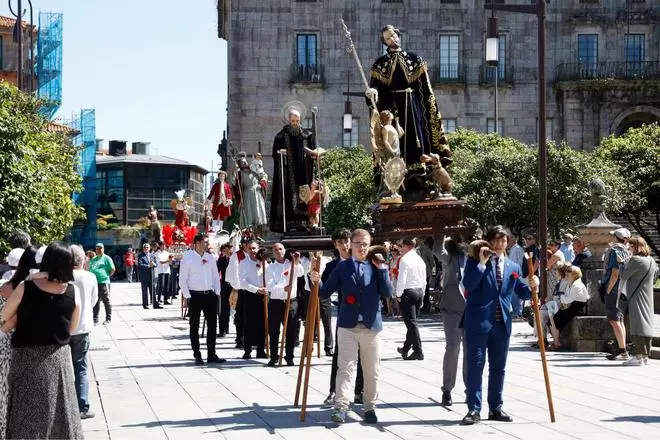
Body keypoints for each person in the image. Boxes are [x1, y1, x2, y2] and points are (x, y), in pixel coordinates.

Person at [1, 242, 83, 439]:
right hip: (58, 358)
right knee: (61, 412)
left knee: (26, 414)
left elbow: (4, 316)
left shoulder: (25, 287)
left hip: (27, 358)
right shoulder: (73, 291)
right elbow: (72, 328)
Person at [311, 229, 392, 424]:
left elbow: (388, 292)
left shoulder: (377, 266)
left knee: (372, 370)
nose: (362, 248)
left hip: (371, 326)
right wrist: (315, 279)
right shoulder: (342, 267)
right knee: (345, 368)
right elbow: (324, 292)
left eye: (365, 244)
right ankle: (341, 407)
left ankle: (370, 407)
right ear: (351, 245)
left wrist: (382, 269)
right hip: (347, 325)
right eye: (358, 244)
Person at [461, 226, 537, 426]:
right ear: (488, 241)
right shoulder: (474, 262)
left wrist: (532, 284)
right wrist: (482, 264)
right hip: (478, 322)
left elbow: (522, 292)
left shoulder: (513, 266)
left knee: (498, 368)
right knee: (475, 366)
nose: (499, 245)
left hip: (501, 322)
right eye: (495, 240)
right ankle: (473, 409)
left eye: (503, 241)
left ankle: (495, 407)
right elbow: (468, 285)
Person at [366, 25, 451, 198]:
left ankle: (422, 179)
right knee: (397, 143)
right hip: (394, 111)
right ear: (385, 42)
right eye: (388, 38)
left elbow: (425, 89)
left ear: (398, 35)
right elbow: (376, 90)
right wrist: (372, 93)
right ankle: (397, 182)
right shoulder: (380, 65)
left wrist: (428, 109)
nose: (392, 40)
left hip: (414, 109)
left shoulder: (414, 59)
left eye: (393, 36)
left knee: (417, 142)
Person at [322, 228, 365, 409]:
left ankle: (359, 391)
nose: (344, 245)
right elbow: (323, 289)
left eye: (346, 241)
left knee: (363, 354)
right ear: (335, 244)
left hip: (364, 313)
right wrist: (313, 278)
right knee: (340, 354)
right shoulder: (332, 266)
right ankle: (334, 391)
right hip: (345, 314)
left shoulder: (361, 261)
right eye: (340, 242)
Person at [0, 246, 38, 439]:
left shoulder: (6, 286)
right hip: (26, 344)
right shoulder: (34, 287)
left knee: (4, 391)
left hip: (4, 344)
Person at [179, 233, 225, 365]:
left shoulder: (210, 257)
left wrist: (217, 292)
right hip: (194, 295)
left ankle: (212, 354)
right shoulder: (188, 258)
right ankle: (197, 354)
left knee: (212, 326)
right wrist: (188, 296)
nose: (207, 244)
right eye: (205, 242)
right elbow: (182, 280)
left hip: (209, 295)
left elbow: (216, 277)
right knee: (194, 326)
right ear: (197, 243)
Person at [270, 109, 317, 233]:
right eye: (293, 121)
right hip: (288, 172)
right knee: (289, 197)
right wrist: (280, 154)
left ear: (300, 120)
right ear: (289, 120)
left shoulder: (307, 135)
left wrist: (313, 154)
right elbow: (275, 154)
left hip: (303, 171)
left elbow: (313, 150)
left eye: (297, 121)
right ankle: (289, 224)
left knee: (304, 197)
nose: (295, 123)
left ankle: (305, 223)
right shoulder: (281, 136)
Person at [437, 236, 467, 407]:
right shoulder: (450, 257)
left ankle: (470, 389)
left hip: (471, 310)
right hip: (452, 309)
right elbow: (436, 250)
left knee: (470, 351)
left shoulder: (475, 258)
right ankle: (447, 388)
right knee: (453, 348)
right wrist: (440, 232)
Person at [70, 245, 99, 419]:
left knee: (66, 367)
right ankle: (82, 406)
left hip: (65, 327)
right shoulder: (90, 277)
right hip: (83, 326)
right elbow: (94, 300)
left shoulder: (61, 276)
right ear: (83, 260)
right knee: (81, 367)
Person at [619, 237, 658, 366]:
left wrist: (621, 263)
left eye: (630, 247)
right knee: (646, 324)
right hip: (647, 296)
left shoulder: (635, 260)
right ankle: (645, 356)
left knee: (637, 324)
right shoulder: (651, 260)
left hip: (636, 296)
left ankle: (638, 356)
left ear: (636, 247)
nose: (628, 249)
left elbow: (623, 275)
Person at [265, 243, 304, 367]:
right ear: (273, 252)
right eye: (276, 250)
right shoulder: (270, 267)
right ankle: (274, 356)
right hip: (276, 302)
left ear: (284, 250)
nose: (279, 251)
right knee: (274, 330)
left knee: (291, 330)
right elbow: (270, 286)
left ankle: (289, 357)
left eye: (280, 249)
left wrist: (296, 262)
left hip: (291, 301)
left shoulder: (291, 263)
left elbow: (301, 273)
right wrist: (283, 288)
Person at [601, 227, 631, 361]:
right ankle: (623, 348)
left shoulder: (614, 250)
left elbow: (614, 273)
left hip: (614, 288)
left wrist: (607, 289)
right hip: (623, 288)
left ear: (616, 238)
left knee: (614, 320)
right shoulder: (627, 250)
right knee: (619, 320)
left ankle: (622, 350)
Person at [395, 237, 427, 360]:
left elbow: (402, 279)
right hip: (418, 291)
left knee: (411, 324)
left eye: (402, 246)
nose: (401, 248)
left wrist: (398, 294)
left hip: (408, 292)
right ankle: (406, 348)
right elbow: (424, 280)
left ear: (408, 246)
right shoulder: (420, 260)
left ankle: (418, 351)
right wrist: (423, 295)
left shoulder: (405, 259)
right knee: (412, 323)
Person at [239, 240, 268, 359]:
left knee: (263, 323)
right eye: (250, 248)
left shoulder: (265, 263)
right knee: (249, 323)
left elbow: (269, 276)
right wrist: (256, 289)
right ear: (247, 249)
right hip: (251, 295)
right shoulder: (243, 263)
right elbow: (242, 282)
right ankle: (247, 350)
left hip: (263, 296)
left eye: (255, 248)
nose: (253, 251)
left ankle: (261, 349)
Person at [548, 265, 589, 350]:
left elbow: (568, 299)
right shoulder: (572, 283)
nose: (566, 275)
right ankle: (556, 341)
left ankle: (556, 342)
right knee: (551, 320)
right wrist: (563, 298)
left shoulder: (577, 285)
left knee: (554, 320)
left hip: (577, 308)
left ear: (574, 275)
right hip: (571, 307)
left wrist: (562, 297)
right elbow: (566, 298)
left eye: (568, 274)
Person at [226, 237, 249, 349]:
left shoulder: (255, 255)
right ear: (243, 245)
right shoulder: (236, 256)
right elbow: (234, 273)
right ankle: (240, 338)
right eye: (247, 244)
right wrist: (237, 287)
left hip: (253, 290)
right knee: (240, 315)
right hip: (241, 289)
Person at [235, 157, 268, 233]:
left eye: (245, 161)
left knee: (258, 213)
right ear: (240, 164)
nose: (245, 163)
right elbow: (236, 185)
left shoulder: (253, 169)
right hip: (247, 194)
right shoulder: (240, 173)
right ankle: (250, 234)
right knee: (249, 214)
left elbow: (264, 175)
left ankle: (259, 234)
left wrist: (262, 183)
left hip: (257, 193)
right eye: (242, 162)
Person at [89, 243, 115, 325]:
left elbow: (112, 269)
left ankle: (108, 319)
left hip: (104, 282)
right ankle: (95, 319)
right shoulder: (93, 259)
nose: (98, 250)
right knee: (95, 301)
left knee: (106, 300)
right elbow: (90, 268)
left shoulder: (106, 258)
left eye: (100, 248)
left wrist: (106, 276)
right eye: (97, 248)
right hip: (94, 283)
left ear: (103, 249)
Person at [506, 233, 525, 319]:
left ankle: (517, 311)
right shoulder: (514, 249)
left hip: (516, 274)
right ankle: (516, 311)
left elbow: (518, 263)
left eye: (508, 240)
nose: (507, 243)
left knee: (516, 293)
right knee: (514, 293)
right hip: (513, 273)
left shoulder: (517, 249)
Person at [216, 243, 233, 337]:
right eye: (225, 249)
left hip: (235, 286)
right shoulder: (221, 259)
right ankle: (223, 329)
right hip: (225, 285)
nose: (227, 251)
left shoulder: (235, 259)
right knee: (224, 308)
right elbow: (217, 271)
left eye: (229, 249)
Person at [137, 243, 159, 309]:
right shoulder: (141, 256)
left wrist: (154, 264)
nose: (146, 248)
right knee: (145, 291)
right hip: (144, 276)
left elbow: (156, 264)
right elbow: (140, 265)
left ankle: (155, 303)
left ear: (149, 248)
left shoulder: (152, 255)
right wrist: (148, 266)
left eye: (147, 247)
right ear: (143, 249)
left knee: (153, 290)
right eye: (145, 247)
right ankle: (145, 304)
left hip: (151, 275)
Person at [418, 237, 436, 313]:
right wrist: (433, 274)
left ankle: (420, 306)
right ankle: (425, 307)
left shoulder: (416, 249)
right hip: (425, 273)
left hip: (418, 273)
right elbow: (433, 263)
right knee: (425, 289)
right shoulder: (427, 250)